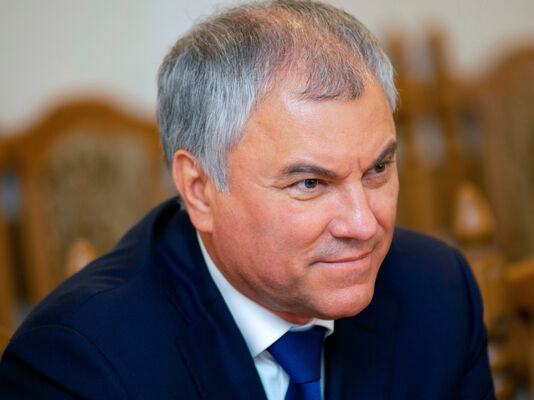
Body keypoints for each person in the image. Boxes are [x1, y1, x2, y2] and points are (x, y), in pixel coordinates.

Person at [0, 1, 495, 399]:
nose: (363, 225)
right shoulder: (79, 364)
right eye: (310, 184)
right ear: (199, 190)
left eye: (378, 170)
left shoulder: (438, 292)